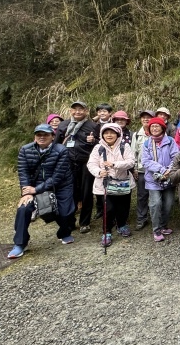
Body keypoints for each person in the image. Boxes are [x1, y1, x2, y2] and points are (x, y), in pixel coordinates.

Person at [8, 124, 75, 258]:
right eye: (39, 134)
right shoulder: (25, 150)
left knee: (65, 212)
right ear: (35, 136)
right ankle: (20, 243)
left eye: (45, 135)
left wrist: (36, 189)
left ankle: (64, 233)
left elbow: (58, 176)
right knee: (23, 208)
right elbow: (23, 172)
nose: (42, 137)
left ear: (52, 137)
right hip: (35, 187)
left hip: (61, 185)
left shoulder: (61, 150)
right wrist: (27, 192)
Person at [87, 123, 135, 247]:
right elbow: (91, 164)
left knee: (123, 207)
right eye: (106, 133)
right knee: (108, 208)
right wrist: (99, 172)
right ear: (102, 135)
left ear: (118, 134)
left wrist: (114, 164)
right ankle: (106, 231)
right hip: (105, 183)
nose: (109, 135)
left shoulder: (125, 146)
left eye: (112, 132)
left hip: (123, 182)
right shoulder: (98, 148)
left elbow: (130, 162)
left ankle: (122, 225)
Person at [55, 100, 98, 234]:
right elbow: (56, 144)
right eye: (75, 109)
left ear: (86, 111)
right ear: (70, 111)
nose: (78, 111)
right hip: (67, 163)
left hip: (86, 162)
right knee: (69, 192)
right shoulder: (63, 125)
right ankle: (70, 221)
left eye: (81, 109)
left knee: (86, 193)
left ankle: (85, 222)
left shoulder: (93, 125)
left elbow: (100, 144)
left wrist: (94, 141)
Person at [142, 117, 179, 242]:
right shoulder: (147, 143)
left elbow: (176, 157)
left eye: (157, 126)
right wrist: (162, 170)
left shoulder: (170, 141)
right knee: (155, 204)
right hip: (153, 179)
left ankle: (163, 226)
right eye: (152, 126)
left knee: (168, 204)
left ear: (163, 128)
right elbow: (145, 161)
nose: (154, 128)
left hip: (169, 178)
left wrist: (169, 170)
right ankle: (156, 229)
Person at [131, 109, 155, 230]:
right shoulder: (136, 135)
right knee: (142, 195)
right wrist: (134, 168)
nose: (146, 119)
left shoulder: (159, 133)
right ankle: (141, 218)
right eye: (143, 117)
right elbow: (133, 152)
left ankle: (155, 217)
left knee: (155, 195)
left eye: (149, 117)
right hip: (141, 170)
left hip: (155, 170)